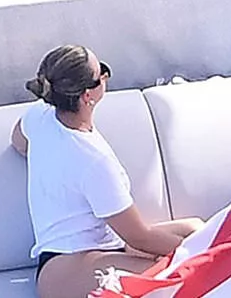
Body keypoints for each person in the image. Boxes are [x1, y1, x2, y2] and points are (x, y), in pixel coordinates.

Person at [11, 45, 203, 298]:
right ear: (87, 95)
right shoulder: (92, 160)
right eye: (102, 71)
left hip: (104, 250)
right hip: (64, 270)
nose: (106, 75)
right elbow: (139, 237)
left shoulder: (39, 114)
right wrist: (201, 255)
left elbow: (18, 141)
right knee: (182, 276)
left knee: (195, 229)